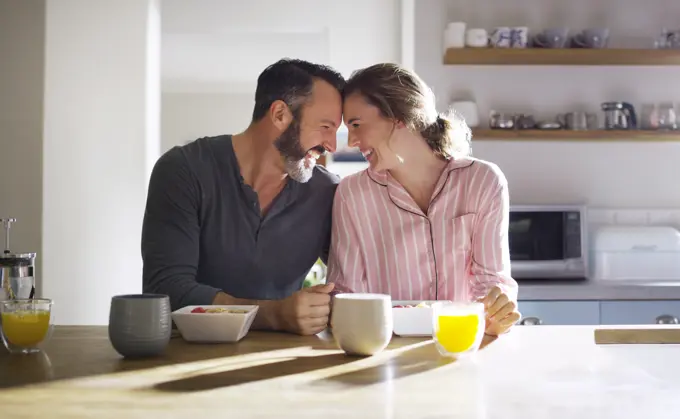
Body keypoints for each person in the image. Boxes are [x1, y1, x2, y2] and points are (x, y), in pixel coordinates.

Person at [142, 58, 344, 336]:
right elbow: (166, 290)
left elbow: (358, 275)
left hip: (284, 365)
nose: (331, 146)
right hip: (186, 358)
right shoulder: (183, 170)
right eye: (325, 127)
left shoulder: (328, 192)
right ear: (280, 115)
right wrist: (272, 315)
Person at [326, 63, 520, 336]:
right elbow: (345, 294)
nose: (352, 141)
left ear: (399, 117)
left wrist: (497, 312)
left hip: (458, 344)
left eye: (356, 125)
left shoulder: (483, 181)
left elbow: (491, 284)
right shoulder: (352, 194)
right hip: (384, 351)